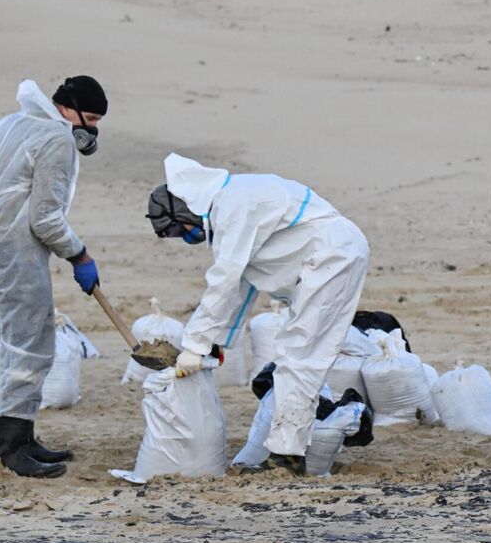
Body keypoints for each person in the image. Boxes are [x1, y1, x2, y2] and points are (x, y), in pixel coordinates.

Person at [147, 153, 369, 474]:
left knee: (300, 356)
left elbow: (225, 278)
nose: (185, 237)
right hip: (328, 257)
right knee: (299, 356)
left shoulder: (233, 204)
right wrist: (216, 342)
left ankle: (286, 457)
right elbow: (244, 282)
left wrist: (194, 345)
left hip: (331, 257)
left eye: (178, 230)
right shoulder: (232, 201)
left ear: (185, 207)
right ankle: (288, 450)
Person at [0, 76, 106, 478]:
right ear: (66, 108)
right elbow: (45, 219)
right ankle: (12, 449)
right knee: (31, 346)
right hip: (12, 247)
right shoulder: (58, 140)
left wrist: (0, 200)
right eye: (89, 118)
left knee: (13, 340)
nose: (91, 130)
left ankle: (20, 438)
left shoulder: (7, 123)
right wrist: (80, 255)